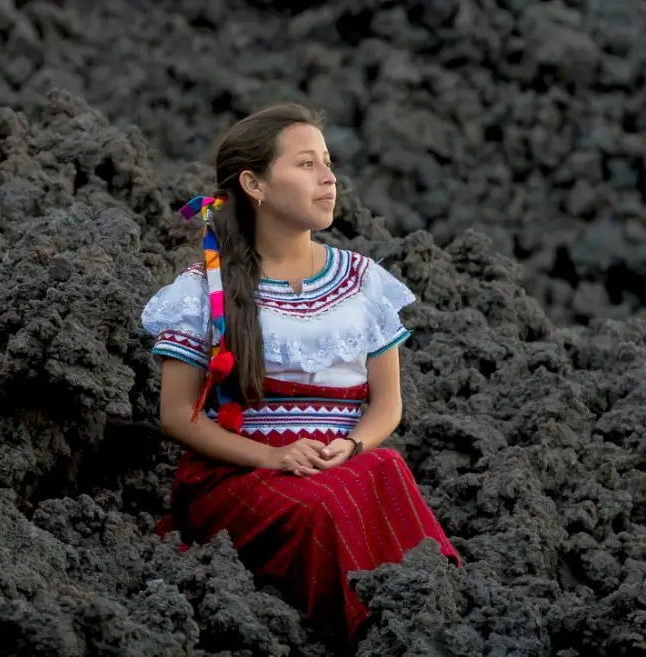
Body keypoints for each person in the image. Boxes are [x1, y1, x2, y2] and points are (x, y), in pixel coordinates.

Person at [141, 102, 460, 650]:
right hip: (238, 474)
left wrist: (351, 445)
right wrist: (273, 457)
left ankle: (434, 613)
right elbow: (175, 416)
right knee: (326, 504)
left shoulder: (362, 281)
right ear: (254, 184)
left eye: (329, 163)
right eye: (307, 164)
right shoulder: (204, 290)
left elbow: (387, 406)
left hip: (338, 463)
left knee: (386, 466)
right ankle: (363, 632)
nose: (330, 178)